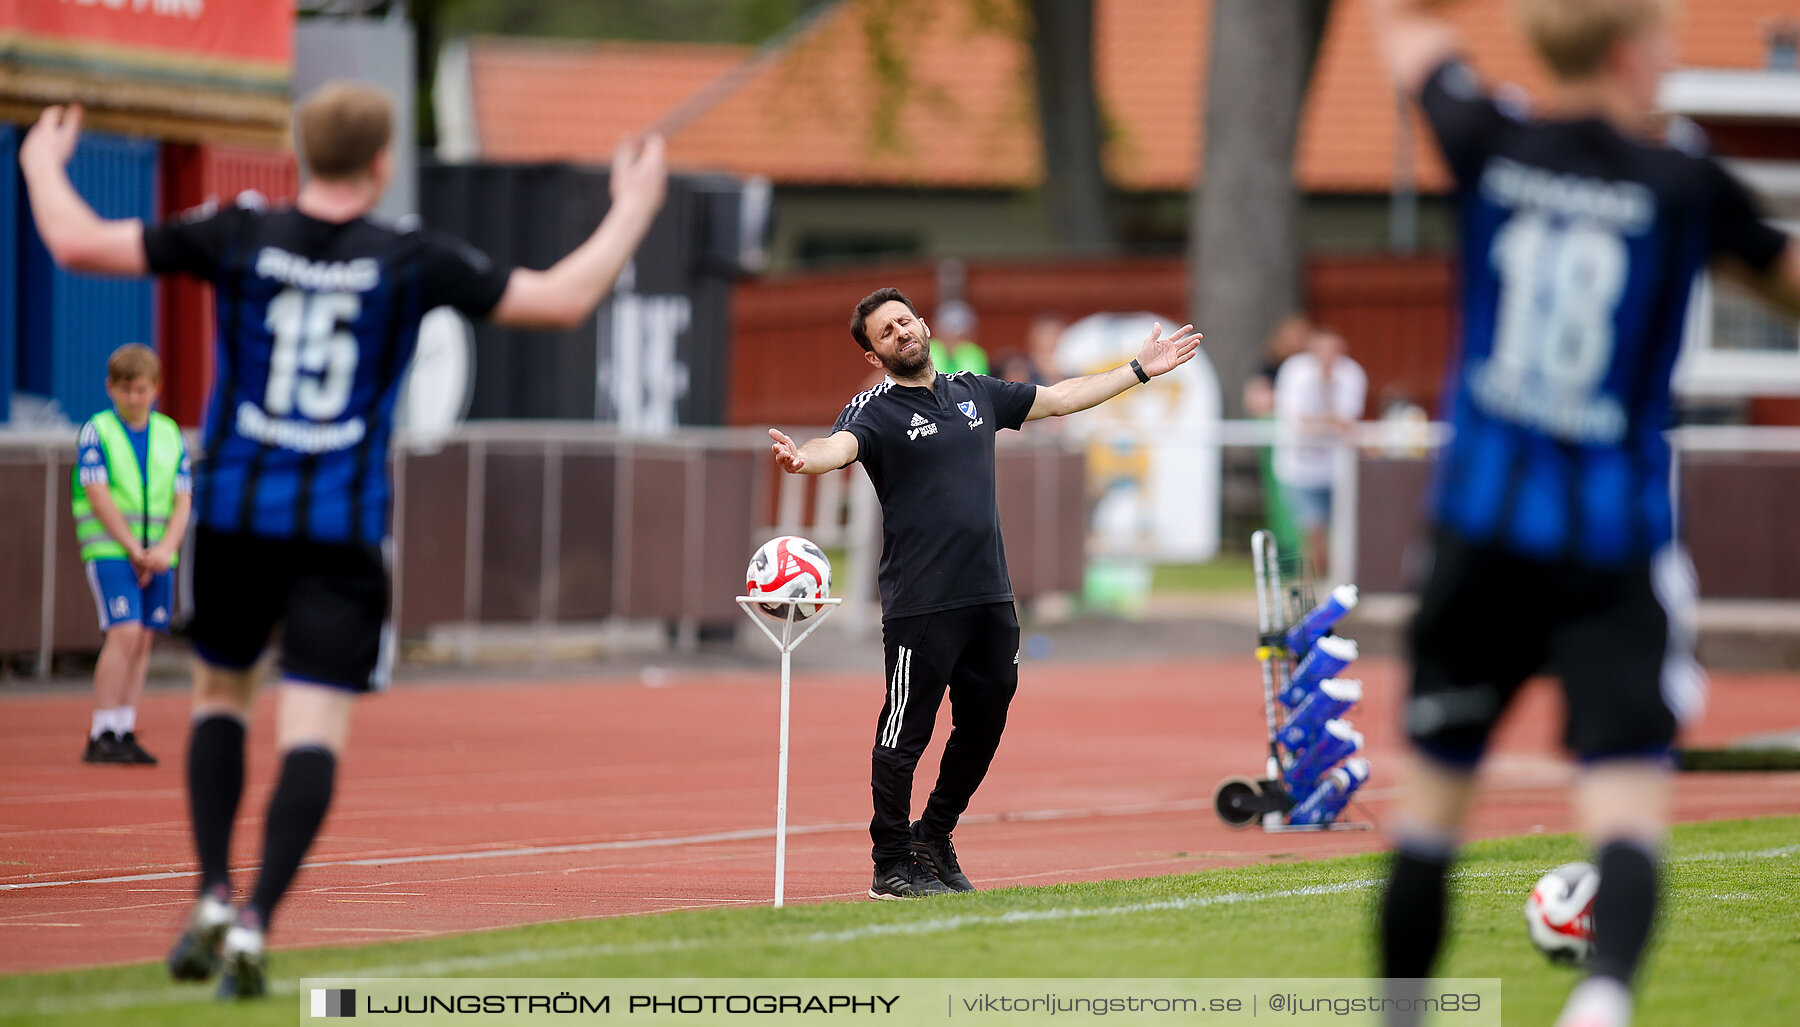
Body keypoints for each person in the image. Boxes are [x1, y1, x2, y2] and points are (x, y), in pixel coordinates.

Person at [19, 82, 666, 998]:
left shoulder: (239, 231)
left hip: (239, 517)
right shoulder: (408, 258)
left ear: (297, 149)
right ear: (380, 163)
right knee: (312, 729)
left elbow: (77, 242)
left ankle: (209, 889)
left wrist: (42, 160)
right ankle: (255, 919)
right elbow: (560, 299)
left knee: (218, 702)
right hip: (339, 528)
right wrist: (633, 203)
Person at [1364, 2, 1800, 1026]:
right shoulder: (1685, 185)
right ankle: (1600, 1001)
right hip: (1610, 549)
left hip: (1479, 534)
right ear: (1624, 51)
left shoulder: (1485, 138)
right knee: (1626, 810)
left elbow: (1406, 31)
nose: (1672, 64)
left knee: (1431, 814)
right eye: (1665, 45)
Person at [768, 288, 1200, 899]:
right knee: (903, 736)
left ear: (921, 323)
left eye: (903, 321)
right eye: (884, 333)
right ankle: (890, 863)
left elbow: (1058, 398)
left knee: (987, 717)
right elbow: (834, 448)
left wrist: (1137, 371)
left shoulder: (975, 391)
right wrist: (801, 462)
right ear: (873, 354)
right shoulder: (874, 408)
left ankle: (934, 835)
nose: (900, 334)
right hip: (921, 601)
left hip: (989, 596)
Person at [73, 343, 192, 766]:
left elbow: (182, 498)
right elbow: (97, 492)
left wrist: (164, 549)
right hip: (111, 549)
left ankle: (123, 726)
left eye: (141, 389)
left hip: (159, 554)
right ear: (111, 389)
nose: (133, 398)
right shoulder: (97, 430)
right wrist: (132, 548)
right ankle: (101, 728)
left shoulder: (169, 433)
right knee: (123, 632)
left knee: (142, 639)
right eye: (125, 390)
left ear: (156, 389)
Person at [1272, 327, 1365, 577]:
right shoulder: (1295, 371)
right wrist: (1331, 421)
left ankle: (1335, 579)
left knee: (1342, 531)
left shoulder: (1351, 373)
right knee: (1313, 530)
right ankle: (1321, 579)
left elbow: (1346, 421)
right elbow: (1296, 420)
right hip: (1298, 467)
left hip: (1337, 469)